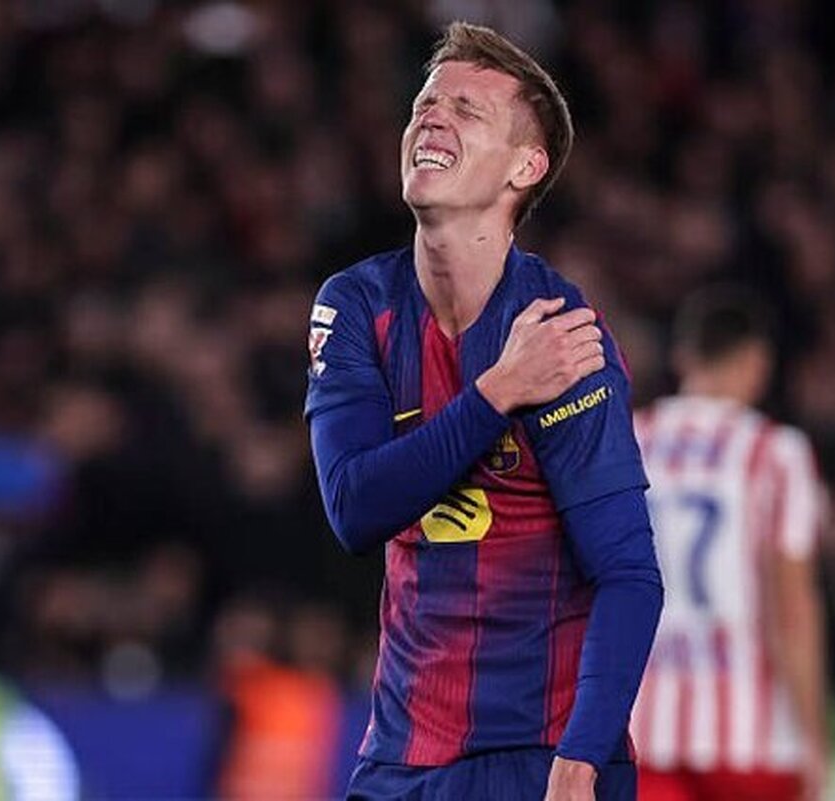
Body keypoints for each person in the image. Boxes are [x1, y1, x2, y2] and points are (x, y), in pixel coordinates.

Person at [304, 21, 663, 801]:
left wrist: (582, 758)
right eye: (424, 105)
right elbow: (355, 508)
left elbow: (629, 574)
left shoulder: (562, 337)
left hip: (541, 755)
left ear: (524, 167)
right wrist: (496, 393)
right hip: (400, 757)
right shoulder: (357, 305)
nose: (432, 117)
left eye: (466, 110)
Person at [631, 286, 828, 801]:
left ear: (682, 357)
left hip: (642, 727)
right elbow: (793, 609)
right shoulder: (776, 453)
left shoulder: (627, 442)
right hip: (751, 739)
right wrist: (815, 741)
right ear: (757, 363)